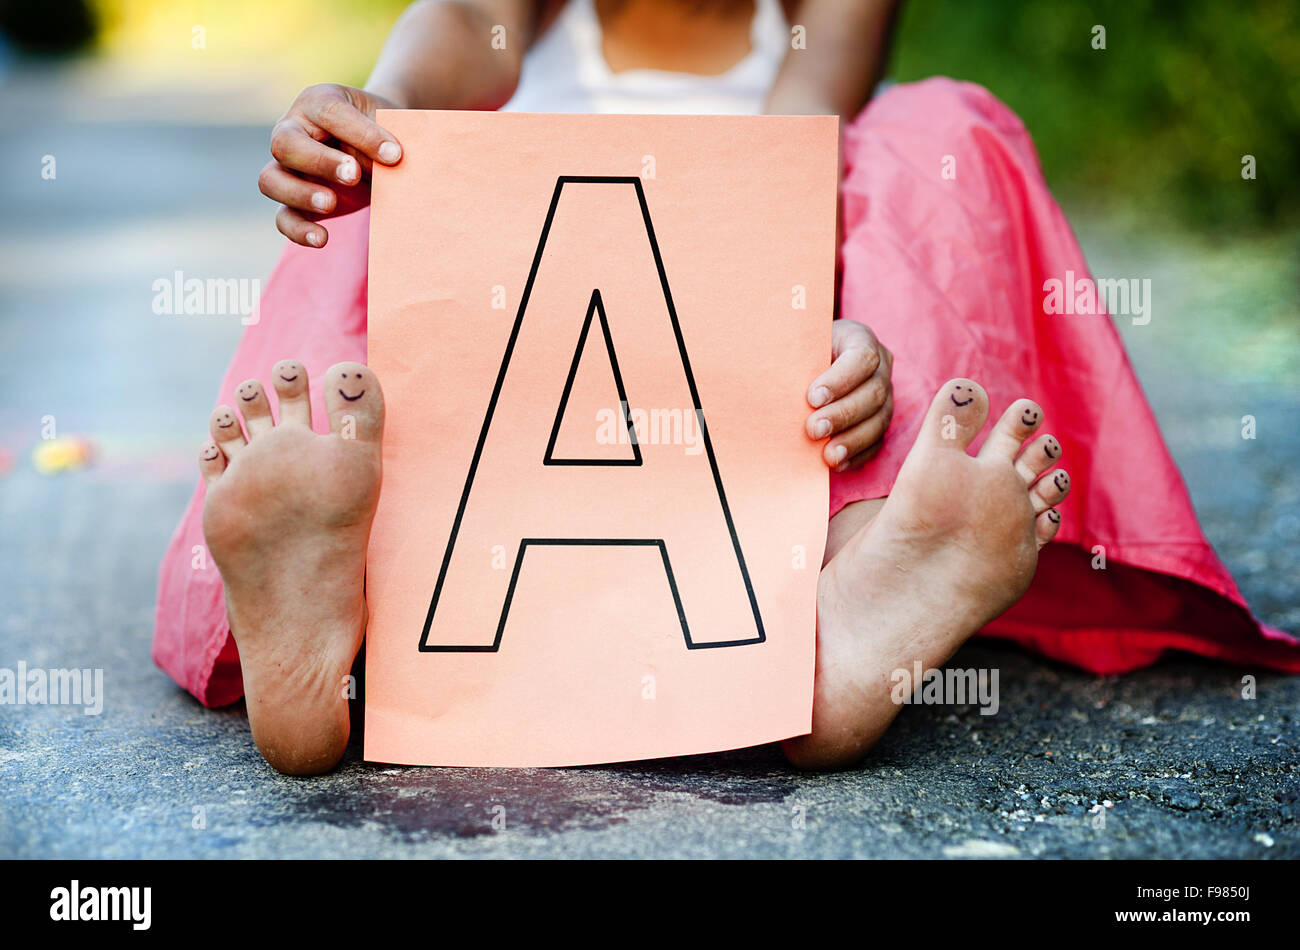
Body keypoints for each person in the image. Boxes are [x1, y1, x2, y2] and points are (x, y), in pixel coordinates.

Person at [154, 0, 1300, 775]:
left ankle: (847, 589)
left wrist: (839, 335)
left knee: (940, 129)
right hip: (503, 412)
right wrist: (372, 114)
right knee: (387, 180)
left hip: (744, 397)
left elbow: (794, 196)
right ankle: (335, 616)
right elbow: (456, 32)